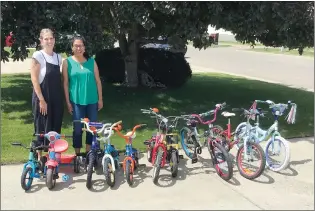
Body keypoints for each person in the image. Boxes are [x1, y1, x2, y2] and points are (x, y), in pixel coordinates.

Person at [62, 36, 103, 155]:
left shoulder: (92, 61)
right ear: (72, 47)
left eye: (81, 45)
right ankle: (78, 155)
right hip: (76, 101)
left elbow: (98, 81)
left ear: (84, 47)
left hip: (92, 100)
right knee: (78, 129)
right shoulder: (67, 62)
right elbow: (65, 83)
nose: (78, 48)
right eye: (76, 46)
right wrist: (68, 102)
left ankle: (88, 154)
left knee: (91, 128)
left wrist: (100, 99)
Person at [30, 28, 63, 165]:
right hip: (42, 98)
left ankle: (52, 157)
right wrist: (41, 100)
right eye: (46, 39)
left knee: (54, 128)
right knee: (41, 128)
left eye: (51, 38)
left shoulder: (58, 57)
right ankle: (39, 159)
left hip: (56, 99)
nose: (49, 41)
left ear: (54, 40)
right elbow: (34, 79)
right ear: (41, 41)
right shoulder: (38, 55)